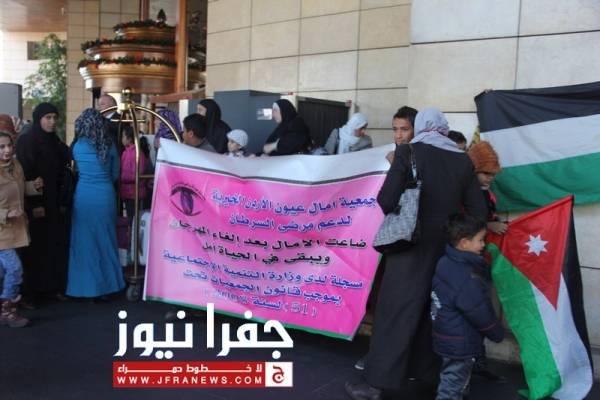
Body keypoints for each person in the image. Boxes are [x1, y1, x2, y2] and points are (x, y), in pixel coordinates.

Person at [345, 107, 487, 400]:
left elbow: (386, 200)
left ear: (420, 127)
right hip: (445, 249)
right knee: (431, 312)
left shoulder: (408, 152)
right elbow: (479, 211)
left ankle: (376, 384)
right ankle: (427, 376)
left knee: (395, 312)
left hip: (408, 246)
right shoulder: (462, 160)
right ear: (443, 128)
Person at [431, 214, 504, 399]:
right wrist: (496, 332)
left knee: (454, 378)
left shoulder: (446, 261)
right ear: (464, 243)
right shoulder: (467, 276)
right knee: (452, 385)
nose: (483, 245)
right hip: (460, 342)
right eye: (480, 240)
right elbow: (479, 311)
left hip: (446, 334)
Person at [16, 103, 71, 306]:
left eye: (55, 117)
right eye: (48, 118)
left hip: (54, 202)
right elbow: (26, 173)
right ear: (38, 119)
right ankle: (30, 294)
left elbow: (65, 162)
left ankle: (51, 288)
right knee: (35, 248)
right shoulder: (27, 141)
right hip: (36, 203)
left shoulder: (54, 141)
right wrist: (35, 204)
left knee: (53, 245)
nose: (52, 122)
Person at [66, 108, 124, 299]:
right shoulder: (109, 145)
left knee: (84, 242)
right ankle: (108, 287)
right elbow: (115, 173)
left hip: (84, 195)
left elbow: (75, 170)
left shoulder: (77, 146)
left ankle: (84, 288)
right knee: (106, 240)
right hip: (105, 195)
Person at [0, 131, 43, 327]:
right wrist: (6, 214)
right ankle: (8, 310)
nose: (7, 150)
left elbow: (19, 190)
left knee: (4, 271)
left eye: (9, 145)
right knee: (15, 268)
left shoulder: (16, 166)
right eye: (2, 147)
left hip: (16, 229)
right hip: (3, 231)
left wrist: (33, 186)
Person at [468, 142, 507, 235]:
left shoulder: (488, 191)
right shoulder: (464, 192)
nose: (490, 178)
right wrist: (488, 225)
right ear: (474, 170)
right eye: (486, 173)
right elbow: (462, 221)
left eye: (493, 174)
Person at [120, 126, 148, 218]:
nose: (122, 139)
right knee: (130, 216)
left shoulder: (137, 153)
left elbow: (138, 173)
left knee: (134, 217)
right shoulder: (126, 152)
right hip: (128, 191)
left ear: (129, 139)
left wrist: (122, 177)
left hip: (134, 192)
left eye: (123, 136)